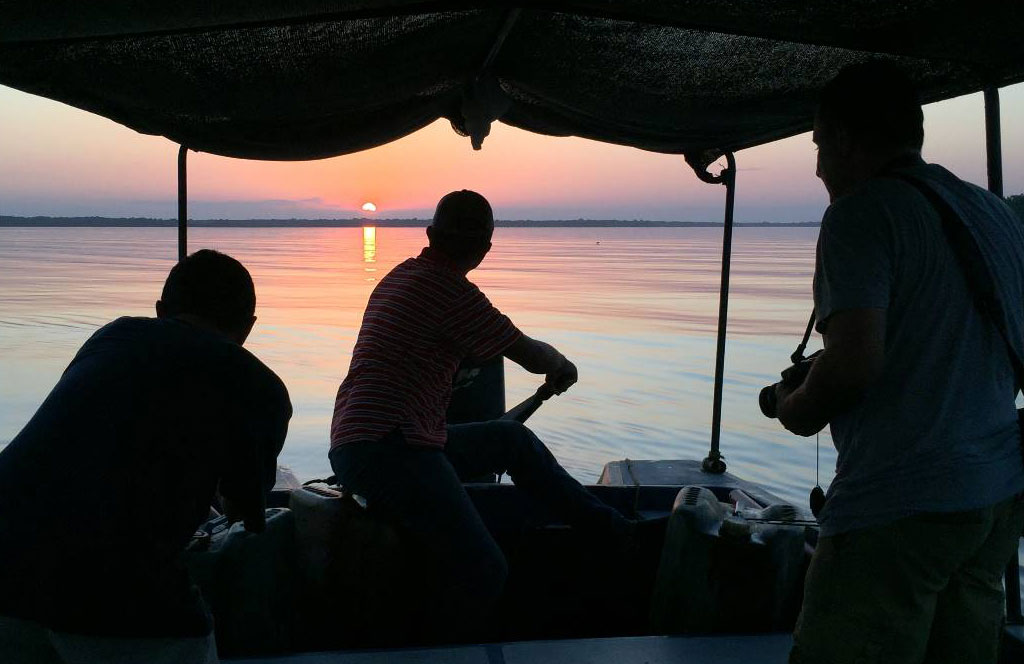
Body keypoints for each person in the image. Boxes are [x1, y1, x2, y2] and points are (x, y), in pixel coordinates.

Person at [775, 62, 1024, 663]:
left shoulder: (860, 214)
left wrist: (795, 407)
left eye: (817, 146)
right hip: (993, 502)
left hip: (899, 505)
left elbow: (855, 365)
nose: (815, 168)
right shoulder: (993, 214)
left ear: (844, 140)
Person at [329, 190, 638, 640]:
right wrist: (562, 367)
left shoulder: (400, 276)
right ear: (486, 248)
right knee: (484, 569)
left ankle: (610, 530)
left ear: (431, 235)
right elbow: (530, 354)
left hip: (371, 440)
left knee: (511, 441)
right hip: (389, 447)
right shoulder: (452, 292)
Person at [0, 249, 292, 664]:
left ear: (160, 311)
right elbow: (244, 512)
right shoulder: (260, 387)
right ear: (248, 327)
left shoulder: (111, 337)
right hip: (115, 589)